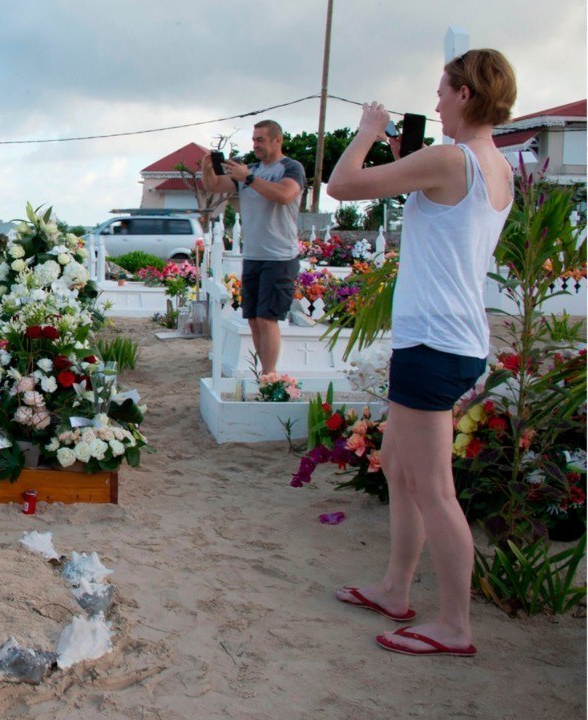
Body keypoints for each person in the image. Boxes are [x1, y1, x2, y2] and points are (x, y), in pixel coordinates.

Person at [325, 49, 517, 658]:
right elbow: (432, 200)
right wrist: (395, 154)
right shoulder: (496, 165)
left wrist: (366, 134)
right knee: (400, 468)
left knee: (432, 487)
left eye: (442, 91)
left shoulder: (449, 158)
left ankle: (455, 625)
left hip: (434, 342)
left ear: (466, 94)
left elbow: (341, 185)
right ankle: (394, 588)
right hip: (449, 339)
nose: (435, 103)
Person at [199, 122, 306, 375]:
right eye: (254, 139)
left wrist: (247, 178)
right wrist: (207, 168)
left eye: (260, 139)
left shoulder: (290, 168)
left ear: (277, 140)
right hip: (254, 255)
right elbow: (213, 186)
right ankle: (264, 373)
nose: (255, 144)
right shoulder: (252, 170)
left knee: (268, 319)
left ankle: (270, 376)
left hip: (280, 256)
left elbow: (284, 195)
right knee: (255, 320)